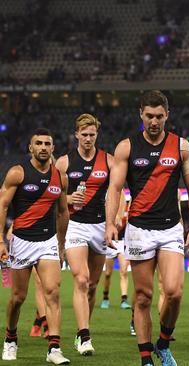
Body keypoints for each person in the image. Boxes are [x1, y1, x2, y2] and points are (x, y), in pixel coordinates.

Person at [105, 90, 189, 366]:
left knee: (174, 292)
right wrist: (111, 223)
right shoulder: (126, 147)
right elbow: (114, 188)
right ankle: (146, 357)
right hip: (138, 230)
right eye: (149, 116)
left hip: (171, 228)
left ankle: (163, 342)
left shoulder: (181, 146)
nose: (154, 121)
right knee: (144, 296)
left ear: (167, 115)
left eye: (159, 116)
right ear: (141, 114)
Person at [0, 128, 71, 364]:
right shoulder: (17, 173)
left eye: (47, 143)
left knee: (53, 292)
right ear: (30, 148)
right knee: (18, 297)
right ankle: (10, 338)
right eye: (38, 143)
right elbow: (2, 206)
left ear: (53, 148)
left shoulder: (60, 176)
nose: (43, 147)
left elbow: (63, 212)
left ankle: (54, 348)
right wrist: (1, 240)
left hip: (48, 241)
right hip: (21, 241)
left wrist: (60, 245)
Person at [55, 113, 116, 355]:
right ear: (76, 135)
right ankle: (84, 336)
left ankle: (83, 328)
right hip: (75, 225)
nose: (88, 138)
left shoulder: (109, 161)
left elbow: (117, 191)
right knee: (80, 279)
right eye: (84, 134)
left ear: (96, 135)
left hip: (100, 226)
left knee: (92, 285)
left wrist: (114, 220)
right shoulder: (64, 163)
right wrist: (68, 198)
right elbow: (52, 196)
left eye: (92, 134)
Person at [101, 196, 131, 310]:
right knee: (108, 273)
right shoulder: (108, 206)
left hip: (122, 241)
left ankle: (124, 299)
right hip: (110, 241)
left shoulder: (127, 207)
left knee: (123, 271)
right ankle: (105, 297)